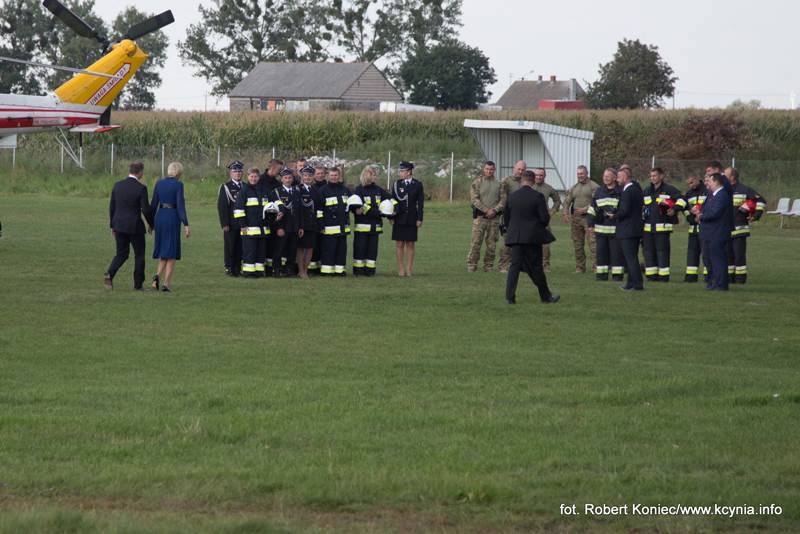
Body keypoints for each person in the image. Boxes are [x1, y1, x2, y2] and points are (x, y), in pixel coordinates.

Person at [503, 170, 559, 304]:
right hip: (533, 238)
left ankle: (510, 298)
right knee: (536, 267)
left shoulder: (512, 197)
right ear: (533, 181)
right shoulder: (537, 196)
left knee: (514, 267)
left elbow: (506, 218)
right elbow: (544, 219)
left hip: (516, 237)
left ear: (521, 181)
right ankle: (545, 296)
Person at [104, 162, 154, 290]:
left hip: (119, 225)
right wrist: (151, 224)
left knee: (121, 254)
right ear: (140, 172)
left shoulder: (118, 185)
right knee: (139, 255)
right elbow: (146, 210)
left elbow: (112, 207)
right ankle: (138, 284)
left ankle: (110, 273)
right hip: (134, 226)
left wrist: (112, 226)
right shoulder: (141, 188)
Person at [149, 162, 190, 292]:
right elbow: (180, 205)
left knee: (163, 250)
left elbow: (154, 203)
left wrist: (151, 223)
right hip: (172, 217)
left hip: (160, 217)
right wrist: (186, 224)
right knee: (171, 252)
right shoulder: (178, 185)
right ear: (178, 173)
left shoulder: (159, 183)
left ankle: (156, 277)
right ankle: (166, 284)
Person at [641, 167, 685, 282]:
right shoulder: (646, 191)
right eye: (651, 176)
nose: (652, 178)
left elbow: (682, 200)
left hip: (662, 229)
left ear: (661, 176)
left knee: (662, 253)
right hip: (647, 229)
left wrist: (674, 209)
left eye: (655, 176)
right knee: (649, 253)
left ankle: (663, 277)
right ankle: (651, 276)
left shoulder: (669, 189)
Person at [724, 167, 766, 284]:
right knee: (728, 256)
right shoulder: (723, 190)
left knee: (739, 256)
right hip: (726, 229)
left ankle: (740, 279)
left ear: (732, 177)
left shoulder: (744, 189)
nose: (723, 176)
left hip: (740, 229)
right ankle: (729, 278)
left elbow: (761, 201)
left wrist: (756, 215)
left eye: (725, 174)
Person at [467, 161, 506, 272]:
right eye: (487, 169)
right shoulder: (477, 182)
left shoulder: (499, 184)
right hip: (480, 218)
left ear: (494, 170)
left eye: (491, 169)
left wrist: (494, 210)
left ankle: (488, 266)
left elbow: (503, 200)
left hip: (494, 219)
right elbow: (474, 199)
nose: (489, 171)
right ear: (484, 169)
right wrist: (486, 210)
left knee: (492, 244)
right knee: (475, 243)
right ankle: (472, 265)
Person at [353, 165, 391, 276]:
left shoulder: (379, 190)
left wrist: (392, 211)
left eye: (376, 175)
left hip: (375, 227)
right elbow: (362, 207)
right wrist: (379, 213)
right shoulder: (359, 190)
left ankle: (370, 271)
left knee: (372, 251)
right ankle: (358, 271)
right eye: (373, 174)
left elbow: (390, 199)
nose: (376, 177)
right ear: (366, 175)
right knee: (360, 250)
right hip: (361, 227)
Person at [234, 168, 272, 277]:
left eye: (255, 176)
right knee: (250, 251)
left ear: (259, 177)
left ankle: (259, 271)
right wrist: (242, 225)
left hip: (263, 229)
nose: (253, 179)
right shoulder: (243, 191)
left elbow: (269, 207)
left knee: (261, 251)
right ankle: (248, 271)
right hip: (249, 229)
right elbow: (238, 210)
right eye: (251, 176)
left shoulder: (264, 190)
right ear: (248, 177)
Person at [586, 168, 623, 281]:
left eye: (608, 176)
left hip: (615, 231)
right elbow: (592, 209)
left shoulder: (621, 192)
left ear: (615, 178)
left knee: (616, 255)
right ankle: (601, 276)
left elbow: (624, 210)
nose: (605, 178)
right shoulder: (599, 191)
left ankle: (617, 277)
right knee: (601, 255)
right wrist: (590, 224)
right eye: (604, 176)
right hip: (601, 230)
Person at [698, 173, 733, 290]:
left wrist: (701, 216)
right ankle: (714, 283)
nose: (708, 183)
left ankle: (721, 284)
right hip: (709, 232)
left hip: (717, 233)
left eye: (710, 181)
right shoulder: (712, 195)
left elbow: (715, 213)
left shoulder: (722, 195)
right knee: (710, 260)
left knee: (718, 260)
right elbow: (705, 209)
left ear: (717, 181)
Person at [611, 167, 644, 291]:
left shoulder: (627, 191)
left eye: (619, 177)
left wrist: (614, 215)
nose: (617, 179)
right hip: (635, 228)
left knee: (630, 258)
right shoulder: (637, 189)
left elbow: (625, 211)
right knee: (632, 257)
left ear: (625, 177)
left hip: (627, 229)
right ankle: (630, 283)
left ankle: (637, 284)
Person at [563, 165, 598, 273]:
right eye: (578, 174)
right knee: (577, 244)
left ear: (587, 173)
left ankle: (596, 267)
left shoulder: (593, 186)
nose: (580, 176)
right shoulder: (574, 187)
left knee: (593, 244)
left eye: (582, 173)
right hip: (576, 219)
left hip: (589, 218)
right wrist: (565, 213)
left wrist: (585, 209)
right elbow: (567, 201)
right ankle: (580, 267)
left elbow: (597, 202)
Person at [391, 161, 424, 276]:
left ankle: (409, 269)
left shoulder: (417, 184)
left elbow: (420, 204)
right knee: (399, 244)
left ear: (409, 172)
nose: (400, 173)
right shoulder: (396, 184)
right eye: (400, 171)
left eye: (402, 171)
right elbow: (393, 201)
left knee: (410, 244)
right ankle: (401, 269)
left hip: (411, 218)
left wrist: (420, 219)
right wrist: (391, 217)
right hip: (399, 218)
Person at [318, 167, 351, 276]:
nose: (334, 177)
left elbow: (352, 203)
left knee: (341, 250)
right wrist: (321, 225)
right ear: (328, 176)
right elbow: (319, 210)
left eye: (336, 175)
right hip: (328, 227)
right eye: (331, 175)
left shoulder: (345, 190)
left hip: (342, 227)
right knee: (329, 250)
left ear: (339, 176)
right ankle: (327, 271)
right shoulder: (323, 190)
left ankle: (340, 270)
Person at [270, 168, 303, 277]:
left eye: (290, 178)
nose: (288, 180)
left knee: (292, 250)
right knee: (279, 250)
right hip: (282, 226)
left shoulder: (297, 192)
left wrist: (300, 226)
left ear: (293, 179)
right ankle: (277, 270)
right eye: (285, 178)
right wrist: (278, 227)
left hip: (294, 226)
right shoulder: (276, 192)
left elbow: (299, 211)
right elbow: (274, 212)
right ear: (281, 179)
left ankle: (289, 270)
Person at [497, 160, 527, 272]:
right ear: (514, 168)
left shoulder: (527, 181)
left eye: (523, 169)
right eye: (518, 169)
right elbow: (502, 198)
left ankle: (519, 265)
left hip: (523, 217)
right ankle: (503, 266)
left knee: (522, 242)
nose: (520, 171)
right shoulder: (506, 181)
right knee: (507, 242)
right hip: (509, 216)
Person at [531, 167, 562, 272]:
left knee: (545, 245)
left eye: (541, 175)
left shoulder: (549, 188)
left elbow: (557, 201)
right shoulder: (529, 187)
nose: (539, 177)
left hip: (543, 221)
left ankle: (545, 265)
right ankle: (531, 264)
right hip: (530, 220)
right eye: (537, 175)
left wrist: (551, 212)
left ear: (544, 176)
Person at [217, 160, 245, 276]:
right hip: (231, 223)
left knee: (241, 246)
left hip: (242, 224)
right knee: (230, 246)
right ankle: (229, 267)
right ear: (230, 173)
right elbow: (222, 207)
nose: (237, 173)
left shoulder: (245, 186)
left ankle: (238, 267)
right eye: (235, 171)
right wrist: (224, 224)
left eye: (239, 171)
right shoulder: (225, 187)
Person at [297, 166, 322, 279]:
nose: (307, 177)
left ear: (313, 177)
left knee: (310, 247)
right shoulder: (297, 189)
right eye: (305, 175)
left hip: (313, 223)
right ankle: (301, 271)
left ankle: (305, 270)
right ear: (302, 177)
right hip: (302, 224)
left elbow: (319, 208)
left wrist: (320, 223)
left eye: (310, 175)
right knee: (301, 248)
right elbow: (298, 209)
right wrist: (300, 225)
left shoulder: (316, 190)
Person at [682, 174, 707, 282]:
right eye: (688, 184)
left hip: (705, 228)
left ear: (697, 179)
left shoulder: (707, 190)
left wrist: (702, 217)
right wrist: (691, 219)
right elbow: (685, 208)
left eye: (692, 182)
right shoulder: (689, 193)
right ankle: (690, 278)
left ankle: (708, 276)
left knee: (706, 253)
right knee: (692, 253)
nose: (690, 185)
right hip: (693, 229)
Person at [308, 165, 328, 275]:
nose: (320, 175)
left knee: (324, 246)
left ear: (325, 174)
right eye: (318, 173)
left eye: (322, 173)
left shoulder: (328, 186)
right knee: (314, 246)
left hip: (327, 221)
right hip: (313, 221)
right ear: (314, 175)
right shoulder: (312, 188)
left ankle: (322, 267)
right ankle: (312, 269)